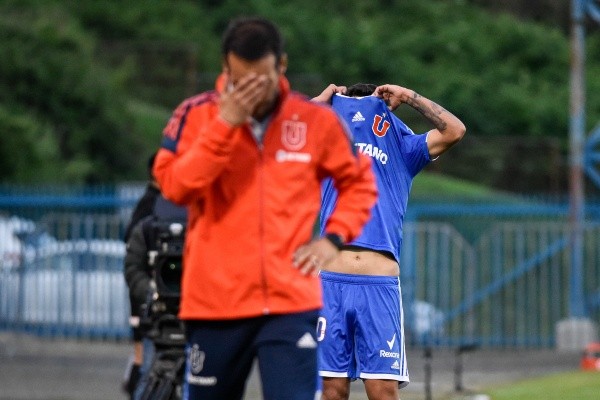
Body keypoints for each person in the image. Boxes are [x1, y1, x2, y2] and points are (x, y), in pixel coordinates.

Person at [152, 17, 378, 400]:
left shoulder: (315, 120)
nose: (252, 91)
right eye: (241, 81)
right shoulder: (196, 115)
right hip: (215, 304)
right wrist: (225, 125)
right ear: (225, 69)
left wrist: (334, 238)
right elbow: (174, 186)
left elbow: (358, 183)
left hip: (290, 302)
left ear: (281, 67)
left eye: (262, 79)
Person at [313, 83, 466, 400]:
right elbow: (271, 136)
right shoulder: (323, 142)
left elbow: (454, 130)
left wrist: (408, 95)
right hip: (329, 281)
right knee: (331, 392)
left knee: (382, 392)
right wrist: (315, 105)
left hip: (379, 285)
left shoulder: (402, 147)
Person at [124, 195, 187, 400]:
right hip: (158, 324)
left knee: (198, 384)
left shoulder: (205, 229)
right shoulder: (147, 230)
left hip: (195, 321)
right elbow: (133, 269)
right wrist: (152, 292)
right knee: (147, 380)